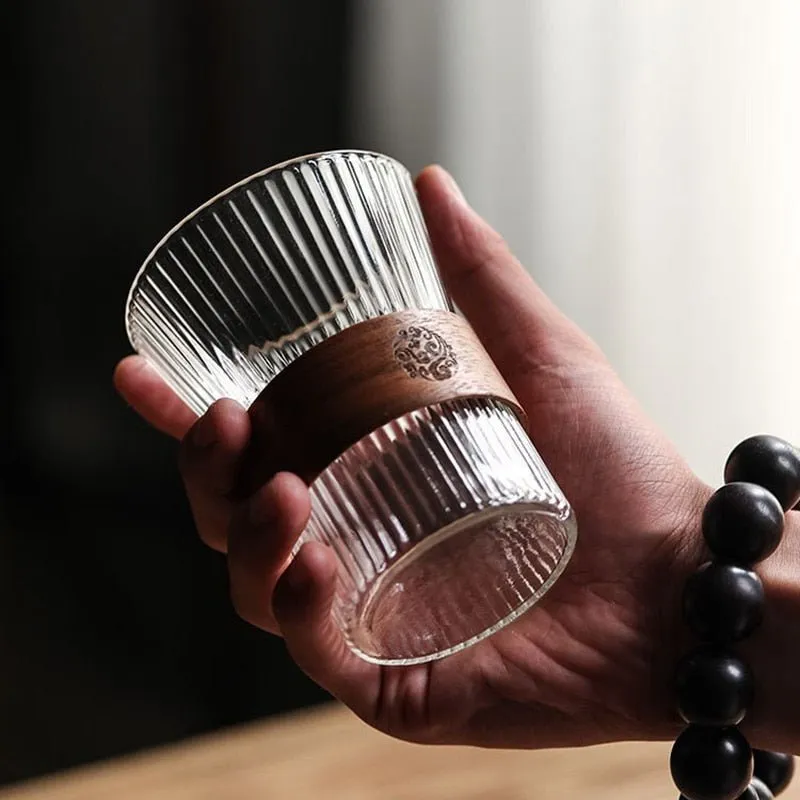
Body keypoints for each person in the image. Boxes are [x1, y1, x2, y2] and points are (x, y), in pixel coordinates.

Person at [114, 165, 800, 755]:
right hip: (389, 592)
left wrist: (671, 581)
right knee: (265, 483)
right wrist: (674, 612)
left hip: (522, 509)